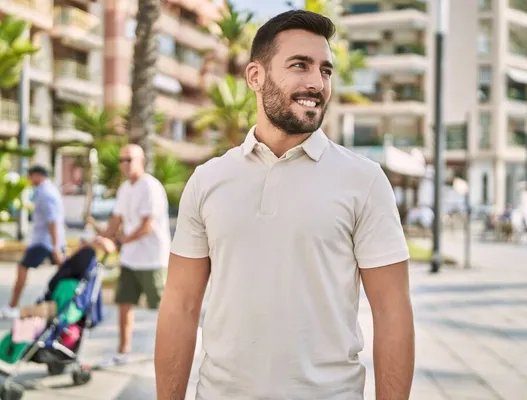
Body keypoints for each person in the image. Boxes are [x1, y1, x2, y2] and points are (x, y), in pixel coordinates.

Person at [155, 10, 415, 400]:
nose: (317, 82)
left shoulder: (364, 180)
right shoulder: (208, 180)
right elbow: (179, 307)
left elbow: (393, 313)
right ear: (255, 76)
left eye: (326, 70)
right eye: (300, 66)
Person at [94, 144, 171, 366]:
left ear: (142, 160)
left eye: (129, 159)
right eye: (122, 160)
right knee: (124, 304)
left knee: (165, 310)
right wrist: (101, 238)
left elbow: (147, 226)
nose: (124, 164)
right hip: (130, 259)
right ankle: (123, 352)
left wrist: (118, 242)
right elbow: (116, 220)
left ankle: (177, 348)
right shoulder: (124, 188)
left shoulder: (151, 187)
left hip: (152, 260)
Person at [0, 165, 66, 319]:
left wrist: (55, 247)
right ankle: (64, 304)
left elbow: (52, 222)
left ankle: (12, 306)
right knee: (64, 270)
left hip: (45, 242)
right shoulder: (48, 190)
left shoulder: (46, 193)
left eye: (30, 176)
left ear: (37, 175)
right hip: (46, 241)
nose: (29, 180)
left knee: (23, 268)